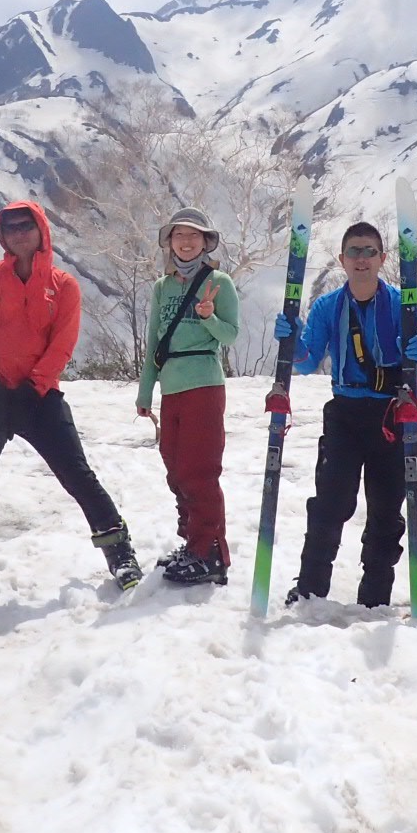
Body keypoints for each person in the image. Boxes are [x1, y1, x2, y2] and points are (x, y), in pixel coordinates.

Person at [0, 201, 143, 597]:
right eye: (9, 226)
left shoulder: (64, 285)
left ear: (41, 229)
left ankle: (121, 554)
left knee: (78, 476)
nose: (18, 232)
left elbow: (64, 342)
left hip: (40, 397)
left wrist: (35, 386)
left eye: (25, 225)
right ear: (2, 235)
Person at [276, 221, 417, 607]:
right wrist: (293, 344)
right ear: (342, 260)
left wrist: (414, 358)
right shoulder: (329, 306)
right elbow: (309, 362)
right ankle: (311, 588)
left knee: (386, 508)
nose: (362, 260)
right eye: (354, 252)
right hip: (344, 412)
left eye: (369, 252)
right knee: (330, 502)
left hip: (389, 415)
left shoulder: (401, 305)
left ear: (382, 258)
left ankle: (375, 596)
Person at [135, 207, 241, 586]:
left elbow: (229, 336)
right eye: (180, 235)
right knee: (176, 469)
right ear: (170, 242)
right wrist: (146, 390)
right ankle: (192, 543)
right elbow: (153, 342)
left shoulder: (220, 282)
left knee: (200, 471)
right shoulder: (162, 287)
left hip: (204, 382)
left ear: (205, 242)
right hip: (171, 386)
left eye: (194, 235)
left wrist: (209, 316)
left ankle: (209, 552)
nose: (186, 241)